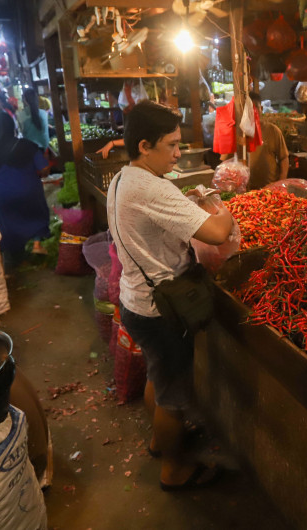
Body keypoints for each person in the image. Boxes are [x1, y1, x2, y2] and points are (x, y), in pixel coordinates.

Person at [106, 101, 234, 491]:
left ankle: (161, 442)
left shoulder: (122, 177)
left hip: (135, 301)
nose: (179, 153)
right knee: (174, 396)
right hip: (160, 310)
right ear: (145, 145)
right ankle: (175, 470)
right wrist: (224, 211)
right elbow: (215, 234)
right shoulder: (151, 187)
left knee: (158, 379)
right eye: (173, 145)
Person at [0, 112, 51, 265]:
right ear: (12, 126)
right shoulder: (27, 145)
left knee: (7, 222)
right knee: (37, 213)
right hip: (30, 190)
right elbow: (44, 168)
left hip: (4, 193)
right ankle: (37, 244)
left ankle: (12, 258)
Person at [220, 92, 289, 190]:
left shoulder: (273, 130)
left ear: (261, 109)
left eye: (254, 108)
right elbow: (225, 164)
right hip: (245, 192)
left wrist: (281, 183)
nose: (251, 112)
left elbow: (284, 159)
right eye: (246, 109)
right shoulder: (234, 133)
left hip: (271, 191)